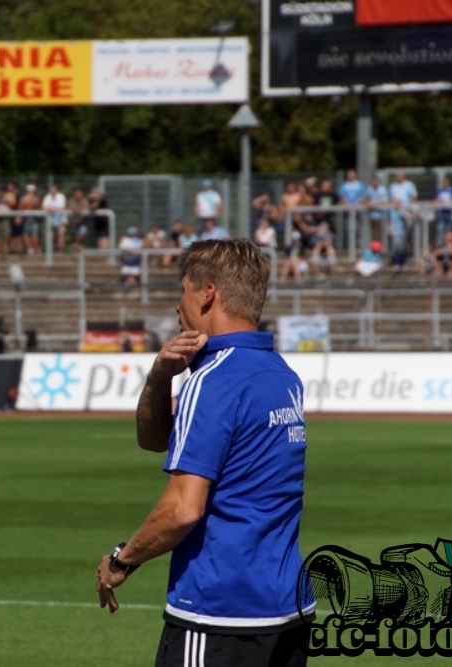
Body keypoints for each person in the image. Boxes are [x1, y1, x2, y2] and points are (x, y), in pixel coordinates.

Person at [96, 239, 310, 667]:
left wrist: (123, 560)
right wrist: (160, 378)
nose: (178, 305)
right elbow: (156, 438)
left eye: (183, 291)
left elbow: (182, 509)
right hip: (290, 606)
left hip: (219, 611)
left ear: (207, 293)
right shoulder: (281, 373)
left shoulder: (214, 381)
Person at [388, 171, 417, 270]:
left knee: (404, 239)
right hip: (395, 215)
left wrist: (408, 209)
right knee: (396, 239)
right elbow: (390, 199)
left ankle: (403, 261)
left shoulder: (409, 185)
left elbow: (413, 197)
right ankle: (396, 261)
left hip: (405, 214)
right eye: (397, 176)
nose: (398, 177)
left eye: (400, 175)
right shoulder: (393, 186)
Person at [433, 177, 452, 247]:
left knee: (449, 230)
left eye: (446, 183)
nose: (445, 184)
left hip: (449, 212)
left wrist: (449, 202)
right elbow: (434, 200)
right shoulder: (439, 191)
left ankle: (448, 245)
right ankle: (439, 245)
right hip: (442, 212)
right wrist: (439, 202)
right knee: (440, 229)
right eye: (444, 183)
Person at [18, 183, 43, 255]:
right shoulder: (37, 198)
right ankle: (35, 249)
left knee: (25, 233)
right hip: (35, 217)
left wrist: (19, 217)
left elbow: (21, 208)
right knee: (35, 233)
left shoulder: (24, 198)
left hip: (27, 217)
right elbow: (40, 207)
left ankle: (30, 249)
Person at [364, 175, 389, 246]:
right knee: (373, 233)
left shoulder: (383, 190)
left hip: (380, 215)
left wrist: (374, 204)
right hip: (371, 215)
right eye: (374, 181)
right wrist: (368, 203)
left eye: (376, 181)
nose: (375, 183)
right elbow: (365, 199)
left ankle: (381, 248)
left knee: (380, 233)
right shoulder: (369, 189)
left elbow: (385, 201)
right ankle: (374, 248)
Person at [42, 184, 67, 252]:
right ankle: (52, 250)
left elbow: (61, 207)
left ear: (57, 190)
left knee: (60, 234)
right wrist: (52, 209)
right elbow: (44, 207)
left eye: (54, 189)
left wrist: (51, 209)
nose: (52, 191)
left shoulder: (61, 196)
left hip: (61, 219)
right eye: (51, 190)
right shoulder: (47, 197)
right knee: (51, 236)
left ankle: (60, 250)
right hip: (50, 220)